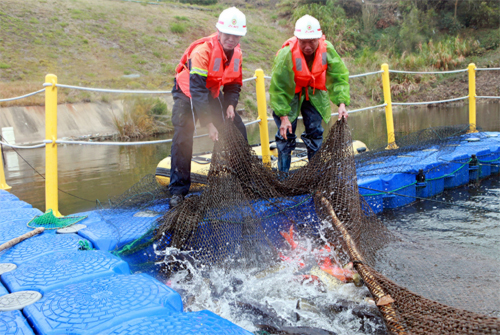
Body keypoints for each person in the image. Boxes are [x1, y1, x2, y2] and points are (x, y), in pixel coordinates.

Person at [169, 7, 248, 207]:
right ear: (219, 32)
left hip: (210, 92)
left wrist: (230, 105)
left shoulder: (236, 53)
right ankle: (178, 191)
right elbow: (197, 92)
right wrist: (209, 124)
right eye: (227, 34)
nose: (231, 39)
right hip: (188, 93)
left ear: (240, 36)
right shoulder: (202, 51)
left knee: (237, 128)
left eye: (235, 35)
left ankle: (243, 180)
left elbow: (233, 84)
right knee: (183, 137)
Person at [269, 15, 350, 173]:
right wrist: (283, 117)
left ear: (318, 39)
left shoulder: (327, 50)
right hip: (291, 92)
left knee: (315, 131)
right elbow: (278, 87)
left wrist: (341, 104)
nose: (307, 46)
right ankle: (283, 175)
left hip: (314, 90)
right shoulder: (287, 54)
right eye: (303, 41)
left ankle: (315, 174)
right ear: (297, 38)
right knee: (286, 133)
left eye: (311, 41)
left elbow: (339, 77)